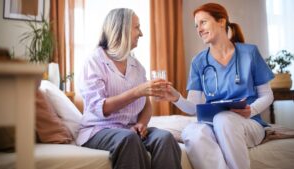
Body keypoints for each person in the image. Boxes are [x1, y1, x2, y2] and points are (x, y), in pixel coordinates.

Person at [162, 3, 274, 169]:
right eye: (196, 25)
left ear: (221, 21)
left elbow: (267, 95)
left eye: (203, 22)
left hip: (248, 123)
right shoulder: (199, 61)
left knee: (224, 120)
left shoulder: (249, 53)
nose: (199, 29)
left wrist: (252, 110)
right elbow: (194, 107)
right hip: (212, 124)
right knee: (193, 132)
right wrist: (176, 97)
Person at [76, 8, 182, 169]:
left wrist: (141, 123)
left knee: (165, 138)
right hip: (98, 130)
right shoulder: (94, 62)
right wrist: (137, 91)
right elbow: (100, 108)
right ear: (121, 29)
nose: (141, 33)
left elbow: (146, 104)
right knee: (129, 139)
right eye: (137, 27)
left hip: (128, 129)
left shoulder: (137, 66)